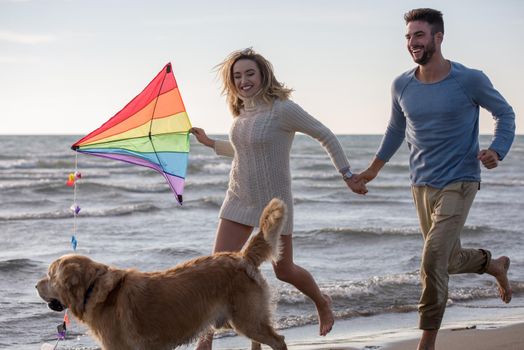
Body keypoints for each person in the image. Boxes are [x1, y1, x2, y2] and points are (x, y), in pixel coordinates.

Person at [353, 8, 515, 350]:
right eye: (409, 36)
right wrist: (372, 170)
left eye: (419, 35)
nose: (413, 42)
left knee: (431, 259)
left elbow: (505, 112)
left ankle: (425, 343)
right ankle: (494, 264)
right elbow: (396, 130)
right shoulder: (401, 84)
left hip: (461, 179)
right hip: (421, 184)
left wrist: (497, 150)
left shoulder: (469, 79)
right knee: (447, 258)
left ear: (438, 37)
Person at [190, 48, 367, 349]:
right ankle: (204, 341)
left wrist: (347, 174)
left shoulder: (282, 109)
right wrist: (211, 143)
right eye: (237, 76)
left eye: (249, 74)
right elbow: (246, 151)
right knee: (215, 271)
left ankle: (321, 302)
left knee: (283, 270)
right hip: (238, 197)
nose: (243, 81)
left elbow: (323, 133)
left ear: (263, 75)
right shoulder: (241, 112)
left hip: (274, 204)